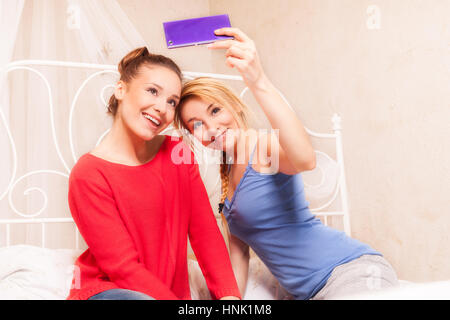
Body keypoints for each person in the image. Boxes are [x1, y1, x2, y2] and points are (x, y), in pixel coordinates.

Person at [173, 28, 398, 300]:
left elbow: (305, 159)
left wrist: (258, 81)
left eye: (215, 110)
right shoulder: (227, 181)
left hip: (348, 271)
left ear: (234, 105)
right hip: (308, 294)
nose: (211, 128)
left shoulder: (262, 147)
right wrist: (229, 300)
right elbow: (238, 258)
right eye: (196, 125)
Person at [67, 47, 241, 300]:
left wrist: (229, 298)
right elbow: (123, 268)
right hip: (108, 291)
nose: (162, 107)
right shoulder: (89, 173)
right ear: (121, 90)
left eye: (172, 101)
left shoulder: (177, 153)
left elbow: (206, 234)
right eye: (152, 91)